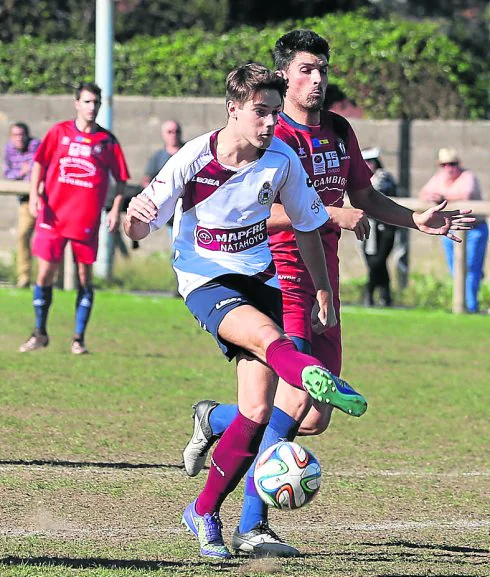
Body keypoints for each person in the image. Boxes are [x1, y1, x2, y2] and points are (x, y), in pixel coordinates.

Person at [181, 30, 475, 557]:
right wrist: (327, 214)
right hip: (276, 280)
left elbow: (362, 195)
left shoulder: (338, 130)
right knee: (292, 401)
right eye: (305, 70)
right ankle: (254, 525)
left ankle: (215, 418)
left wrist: (416, 220)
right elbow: (250, 211)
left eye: (321, 69)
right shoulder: (269, 135)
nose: (316, 80)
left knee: (313, 416)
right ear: (282, 76)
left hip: (323, 281)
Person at [124, 63, 369, 559]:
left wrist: (322, 289)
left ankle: (202, 510)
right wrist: (134, 218)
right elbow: (137, 226)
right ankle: (314, 376)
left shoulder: (280, 159)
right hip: (206, 280)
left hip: (261, 278)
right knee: (266, 339)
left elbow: (306, 225)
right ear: (233, 109)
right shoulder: (193, 159)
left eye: (275, 114)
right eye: (260, 112)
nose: (269, 124)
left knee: (258, 412)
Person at [19, 82, 130, 355]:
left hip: (86, 219)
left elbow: (122, 180)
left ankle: (79, 338)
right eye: (87, 102)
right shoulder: (59, 132)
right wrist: (34, 194)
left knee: (83, 276)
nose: (92, 107)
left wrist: (115, 209)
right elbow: (39, 162)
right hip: (53, 215)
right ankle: (39, 333)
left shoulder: (106, 142)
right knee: (45, 273)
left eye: (96, 103)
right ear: (76, 104)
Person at [419, 147, 488, 313]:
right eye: (445, 164)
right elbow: (424, 193)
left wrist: (442, 198)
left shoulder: (467, 176)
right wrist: (436, 197)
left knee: (470, 268)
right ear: (440, 165)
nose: (449, 168)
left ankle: (470, 307)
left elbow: (466, 194)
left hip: (474, 229)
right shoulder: (439, 177)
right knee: (455, 269)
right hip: (451, 229)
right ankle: (464, 303)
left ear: (459, 164)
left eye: (453, 164)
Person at [3, 122, 41, 288]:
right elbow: (8, 173)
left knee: (45, 240)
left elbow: (37, 167)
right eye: (15, 135)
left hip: (44, 200)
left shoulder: (35, 146)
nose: (19, 138)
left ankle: (48, 278)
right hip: (25, 201)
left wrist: (29, 171)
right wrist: (22, 172)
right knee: (23, 236)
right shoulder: (9, 149)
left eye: (21, 134)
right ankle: (24, 276)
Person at [361, 147, 398, 307]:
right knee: (375, 263)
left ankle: (368, 291)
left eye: (370, 162)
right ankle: (385, 296)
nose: (367, 165)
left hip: (385, 227)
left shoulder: (383, 177)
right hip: (369, 226)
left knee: (378, 261)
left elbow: (372, 194)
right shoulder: (361, 178)